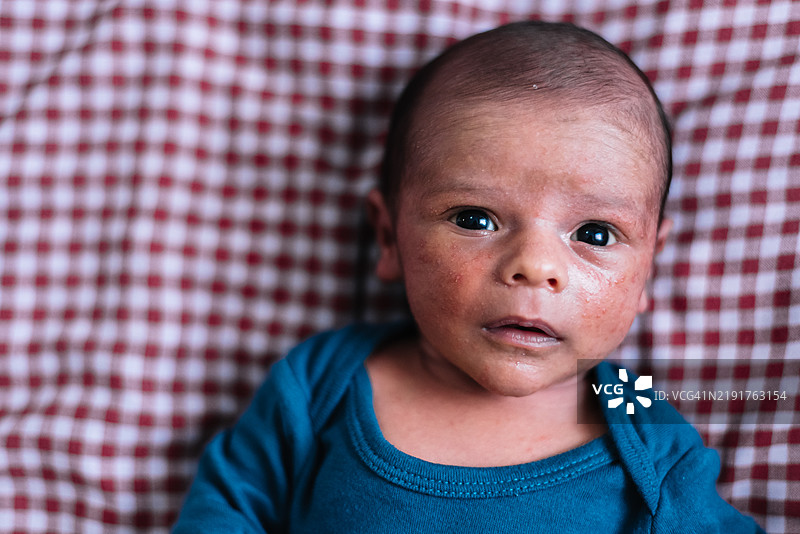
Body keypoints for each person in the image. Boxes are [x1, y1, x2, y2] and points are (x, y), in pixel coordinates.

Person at [172, 21, 765, 533]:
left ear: (647, 269)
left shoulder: (636, 419)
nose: (535, 267)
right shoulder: (321, 383)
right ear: (388, 237)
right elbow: (225, 509)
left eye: (595, 234)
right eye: (475, 219)